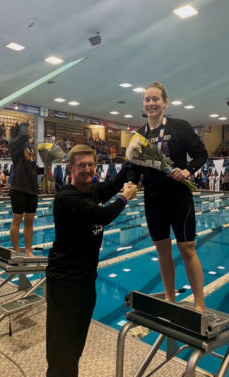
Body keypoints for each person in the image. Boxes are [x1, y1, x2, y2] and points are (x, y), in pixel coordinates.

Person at [45, 144, 137, 377]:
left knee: (75, 346)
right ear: (71, 168)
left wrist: (134, 159)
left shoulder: (92, 191)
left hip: (86, 281)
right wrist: (125, 198)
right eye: (81, 165)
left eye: (90, 165)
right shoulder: (67, 197)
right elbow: (102, 216)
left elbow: (115, 182)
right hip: (64, 283)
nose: (87, 169)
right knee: (62, 349)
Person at [128, 81, 208, 311]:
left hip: (179, 197)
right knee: (163, 251)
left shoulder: (179, 126)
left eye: (155, 99)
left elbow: (201, 154)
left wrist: (187, 171)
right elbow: (134, 167)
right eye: (147, 100)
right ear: (143, 104)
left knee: (187, 248)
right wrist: (131, 183)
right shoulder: (139, 135)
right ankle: (170, 300)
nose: (151, 103)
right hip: (153, 200)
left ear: (165, 102)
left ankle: (199, 304)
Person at [8, 121, 41, 257]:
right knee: (17, 220)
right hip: (19, 187)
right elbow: (22, 136)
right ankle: (16, 250)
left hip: (32, 188)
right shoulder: (15, 144)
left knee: (29, 221)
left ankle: (28, 251)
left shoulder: (30, 147)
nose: (33, 130)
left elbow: (32, 168)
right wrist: (24, 125)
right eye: (31, 128)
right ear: (24, 130)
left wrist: (44, 169)